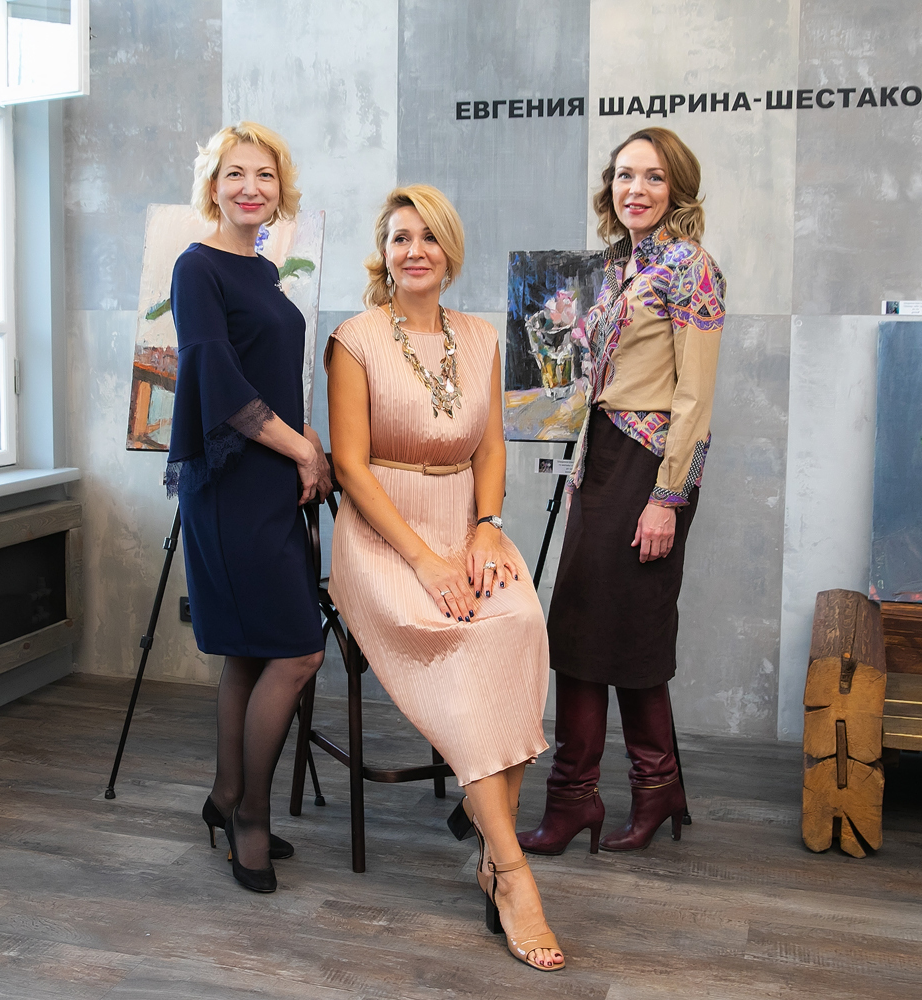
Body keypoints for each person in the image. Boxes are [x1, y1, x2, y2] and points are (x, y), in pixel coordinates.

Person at [325, 185, 565, 972]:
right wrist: (424, 562)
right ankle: (513, 872)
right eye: (400, 238)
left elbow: (490, 446)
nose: (415, 250)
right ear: (384, 252)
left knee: (518, 626)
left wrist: (486, 526)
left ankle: (492, 853)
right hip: (382, 536)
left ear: (450, 251)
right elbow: (350, 467)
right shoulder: (354, 340)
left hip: (465, 523)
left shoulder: (481, 336)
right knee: (459, 642)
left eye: (429, 237)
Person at [519, 127, 725, 857]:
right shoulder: (618, 265)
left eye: (654, 177)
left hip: (651, 462)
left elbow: (694, 398)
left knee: (614, 629)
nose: (635, 189)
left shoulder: (691, 268)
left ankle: (585, 795)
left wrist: (668, 497)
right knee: (598, 627)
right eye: (624, 175)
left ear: (678, 190)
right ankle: (640, 788)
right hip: (601, 456)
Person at [166, 122, 332, 894]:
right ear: (213, 186)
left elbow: (271, 373)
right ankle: (252, 818)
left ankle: (226, 794)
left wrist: (304, 441)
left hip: (270, 479)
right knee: (297, 653)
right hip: (232, 486)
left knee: (251, 652)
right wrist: (304, 452)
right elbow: (219, 383)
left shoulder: (262, 270)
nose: (250, 188)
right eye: (235, 174)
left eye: (264, 175)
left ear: (279, 188)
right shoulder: (196, 268)